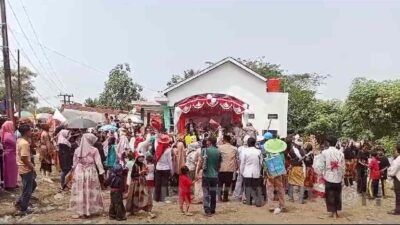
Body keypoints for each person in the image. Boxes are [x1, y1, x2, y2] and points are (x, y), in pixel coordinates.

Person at [70, 133, 105, 218]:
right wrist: (101, 171)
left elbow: (74, 163)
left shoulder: (78, 150)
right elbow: (98, 162)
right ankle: (90, 210)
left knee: (81, 190)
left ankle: (82, 210)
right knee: (90, 190)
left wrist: (73, 171)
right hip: (90, 172)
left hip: (80, 172)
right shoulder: (94, 150)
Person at [316, 136, 345, 219]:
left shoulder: (325, 152)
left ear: (328, 143)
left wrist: (320, 174)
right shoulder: (341, 153)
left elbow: (321, 165)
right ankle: (336, 212)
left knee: (329, 195)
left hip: (329, 176)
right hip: (338, 176)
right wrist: (342, 176)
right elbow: (343, 166)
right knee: (337, 195)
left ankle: (333, 212)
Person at [196, 136, 221, 217]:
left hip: (206, 175)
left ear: (210, 142)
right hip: (215, 175)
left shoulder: (205, 150)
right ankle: (213, 209)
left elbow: (200, 162)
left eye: (207, 140)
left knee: (206, 193)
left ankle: (207, 210)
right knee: (213, 193)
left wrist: (197, 172)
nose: (206, 142)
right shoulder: (218, 151)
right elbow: (219, 164)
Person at [15, 124, 36, 215]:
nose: (31, 132)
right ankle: (23, 209)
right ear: (27, 132)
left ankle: (20, 201)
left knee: (33, 185)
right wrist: (32, 167)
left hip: (22, 167)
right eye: (30, 131)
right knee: (27, 190)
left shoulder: (20, 140)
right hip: (26, 168)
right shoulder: (24, 143)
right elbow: (24, 158)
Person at [126, 153, 155, 218]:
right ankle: (132, 210)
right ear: (137, 158)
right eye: (140, 157)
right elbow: (132, 175)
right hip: (136, 183)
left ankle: (147, 209)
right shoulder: (135, 165)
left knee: (145, 195)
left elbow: (145, 174)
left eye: (142, 157)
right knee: (134, 196)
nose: (141, 158)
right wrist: (140, 173)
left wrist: (145, 172)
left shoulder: (144, 164)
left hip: (143, 182)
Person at [240, 137, 263, 207]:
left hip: (247, 172)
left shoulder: (244, 151)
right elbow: (261, 163)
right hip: (256, 172)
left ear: (247, 143)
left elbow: (242, 163)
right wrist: (259, 170)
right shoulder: (258, 151)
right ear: (255, 143)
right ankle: (257, 200)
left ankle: (249, 201)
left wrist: (241, 171)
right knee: (255, 187)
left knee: (247, 187)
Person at [218, 135, 238, 202]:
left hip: (221, 168)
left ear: (224, 140)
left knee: (220, 183)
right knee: (227, 184)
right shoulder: (234, 148)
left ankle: (219, 196)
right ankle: (225, 197)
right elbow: (237, 159)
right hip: (230, 169)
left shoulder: (219, 148)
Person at [154, 134, 173, 203]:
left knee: (158, 183)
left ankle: (157, 198)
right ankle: (163, 198)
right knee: (164, 184)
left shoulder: (157, 147)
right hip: (166, 168)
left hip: (158, 168)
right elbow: (170, 160)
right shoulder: (168, 150)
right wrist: (172, 170)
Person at [287, 138, 306, 204]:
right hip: (300, 168)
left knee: (291, 182)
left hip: (294, 168)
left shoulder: (292, 151)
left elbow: (289, 158)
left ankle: (291, 198)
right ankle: (301, 200)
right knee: (301, 183)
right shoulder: (303, 151)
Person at [1, 121, 18, 189]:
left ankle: (8, 184)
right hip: (11, 154)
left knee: (7, 170)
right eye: (12, 125)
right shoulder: (9, 135)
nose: (13, 127)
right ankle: (11, 184)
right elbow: (15, 144)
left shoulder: (3, 133)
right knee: (12, 170)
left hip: (6, 153)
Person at [387, 141, 400, 215]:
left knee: (398, 195)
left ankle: (397, 210)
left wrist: (390, 174)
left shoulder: (398, 159)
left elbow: (393, 170)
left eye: (395, 150)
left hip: (398, 178)